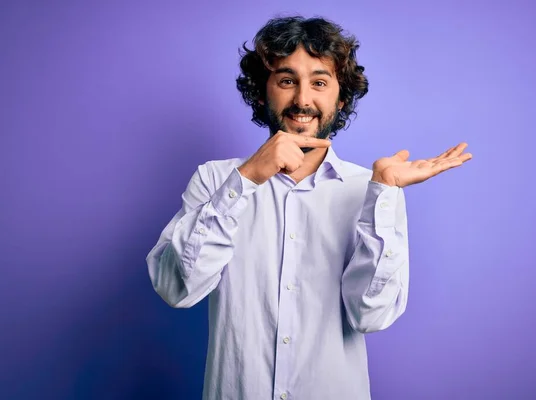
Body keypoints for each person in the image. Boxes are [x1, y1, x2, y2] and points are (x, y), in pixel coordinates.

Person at [146, 15, 472, 400]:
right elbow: (175, 288)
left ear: (342, 96)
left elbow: (371, 315)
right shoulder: (216, 181)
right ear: (262, 90)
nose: (302, 100)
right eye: (287, 81)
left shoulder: (374, 191)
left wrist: (382, 194)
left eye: (319, 82)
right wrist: (246, 179)